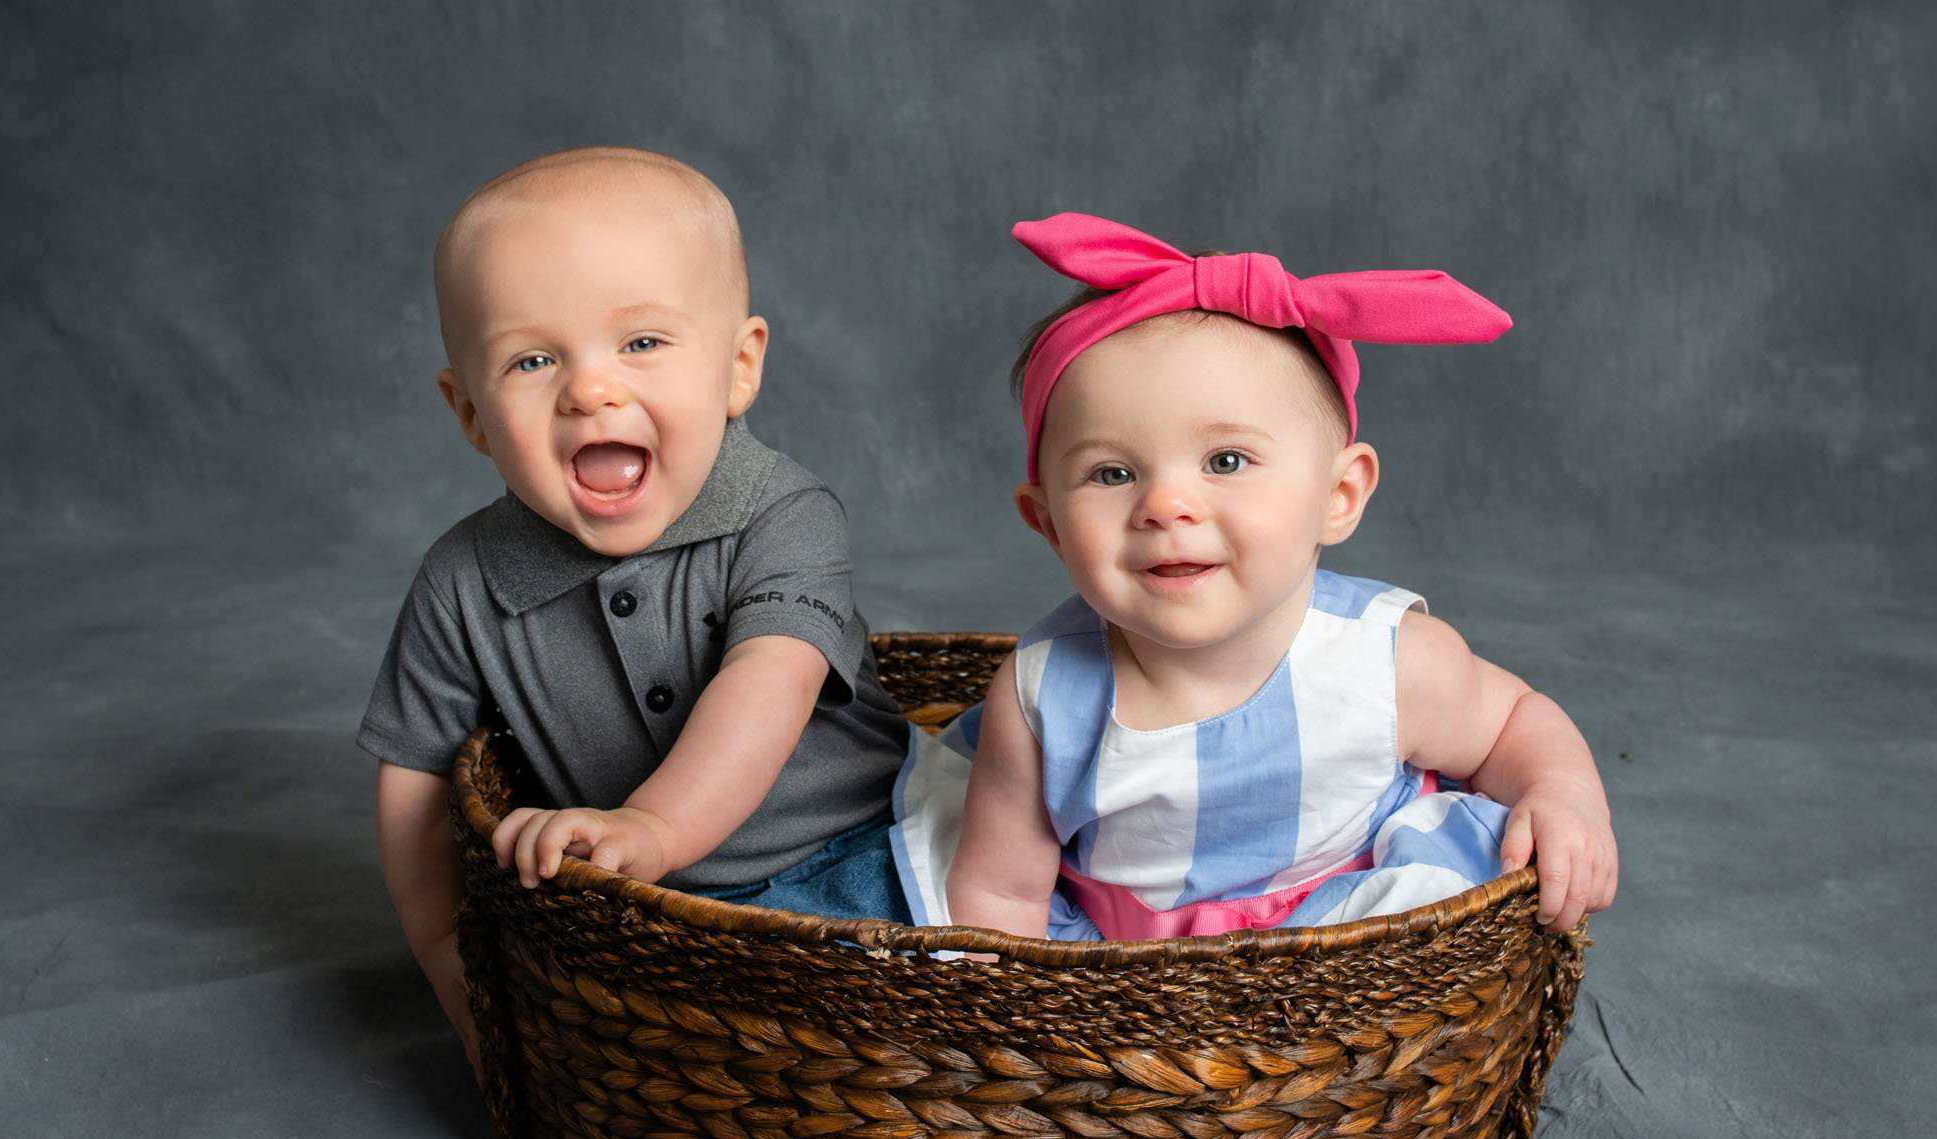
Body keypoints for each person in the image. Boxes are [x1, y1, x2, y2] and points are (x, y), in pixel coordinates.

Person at [890, 212, 1618, 943]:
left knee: (1446, 908)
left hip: (1353, 920)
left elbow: (1513, 725)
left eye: (1226, 461)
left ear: (1339, 496)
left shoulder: (1385, 661)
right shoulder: (1042, 700)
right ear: (1046, 522)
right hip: (1121, 969)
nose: (1167, 506)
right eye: (1112, 472)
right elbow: (999, 895)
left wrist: (1564, 792)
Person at [360, 148, 911, 1076]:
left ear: (738, 368)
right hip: (648, 914)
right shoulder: (464, 578)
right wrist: (446, 959)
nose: (590, 390)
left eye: (642, 343)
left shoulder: (782, 512)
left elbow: (768, 678)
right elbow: (413, 786)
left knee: (971, 962)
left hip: (872, 846)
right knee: (642, 1065)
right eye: (533, 360)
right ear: (472, 416)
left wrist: (653, 826)